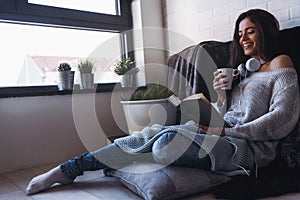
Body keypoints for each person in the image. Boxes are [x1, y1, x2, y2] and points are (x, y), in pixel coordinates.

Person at [26, 9, 300, 195]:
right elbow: (224, 115)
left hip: (246, 150)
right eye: (240, 34)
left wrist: (224, 131)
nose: (243, 39)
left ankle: (107, 161)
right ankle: (69, 169)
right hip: (219, 135)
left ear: (266, 30)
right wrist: (220, 96)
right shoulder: (242, 71)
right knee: (151, 133)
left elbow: (282, 119)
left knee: (164, 142)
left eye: (250, 32)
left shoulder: (280, 63)